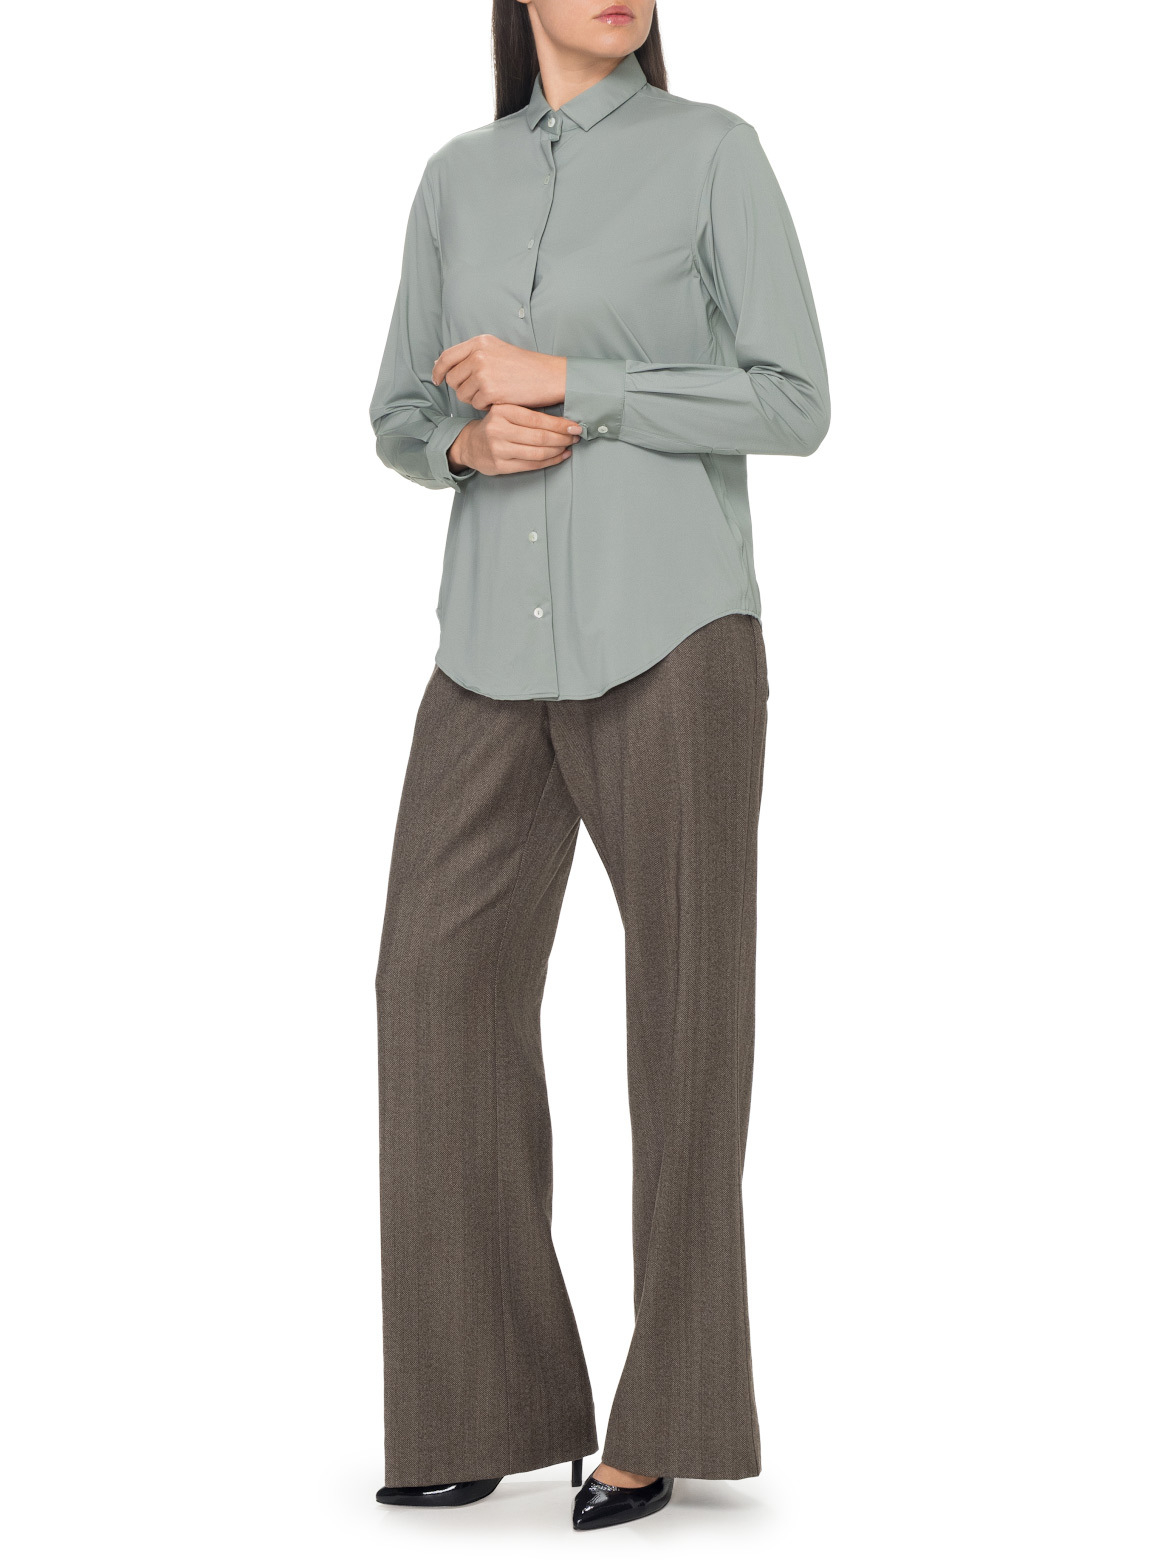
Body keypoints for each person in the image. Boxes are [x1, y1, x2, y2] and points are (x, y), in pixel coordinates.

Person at [367, 0, 829, 1532]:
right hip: (487, 646)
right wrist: (462, 447)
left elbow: (794, 402)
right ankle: (477, 1400)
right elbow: (399, 411)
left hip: (674, 632)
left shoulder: (713, 155)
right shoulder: (458, 177)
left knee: (685, 1016)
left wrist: (577, 381)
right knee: (431, 989)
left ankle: (667, 1416)